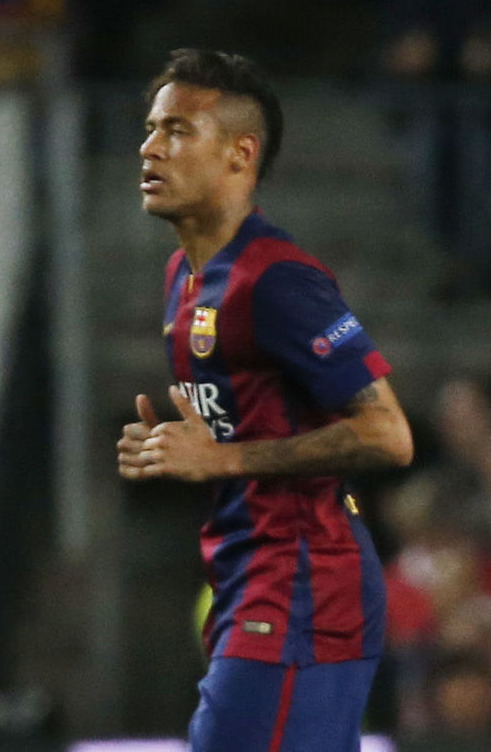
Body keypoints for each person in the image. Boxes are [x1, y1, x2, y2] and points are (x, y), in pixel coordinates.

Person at [117, 48, 415, 752]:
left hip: (304, 586)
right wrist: (172, 450)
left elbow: (388, 433)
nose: (150, 148)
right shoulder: (184, 276)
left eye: (178, 130)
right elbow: (240, 425)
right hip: (248, 580)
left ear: (240, 153)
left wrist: (222, 459)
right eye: (152, 129)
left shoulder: (278, 280)